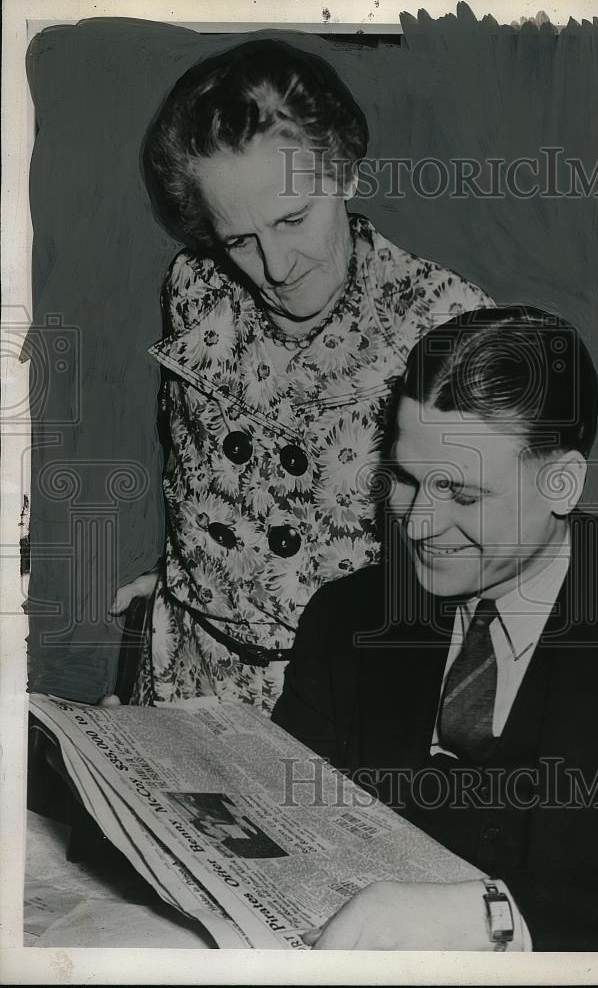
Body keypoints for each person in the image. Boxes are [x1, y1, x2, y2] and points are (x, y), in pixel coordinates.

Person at [271, 306, 598, 951]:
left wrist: (495, 920)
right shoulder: (347, 616)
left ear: (562, 482)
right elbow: (281, 818)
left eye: (462, 495)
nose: (419, 524)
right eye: (406, 479)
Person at [110, 39, 493, 710]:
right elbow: (207, 469)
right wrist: (188, 581)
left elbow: (496, 546)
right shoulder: (194, 287)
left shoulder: (449, 324)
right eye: (239, 240)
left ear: (343, 172)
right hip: (184, 676)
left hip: (347, 699)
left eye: (294, 219)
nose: (277, 266)